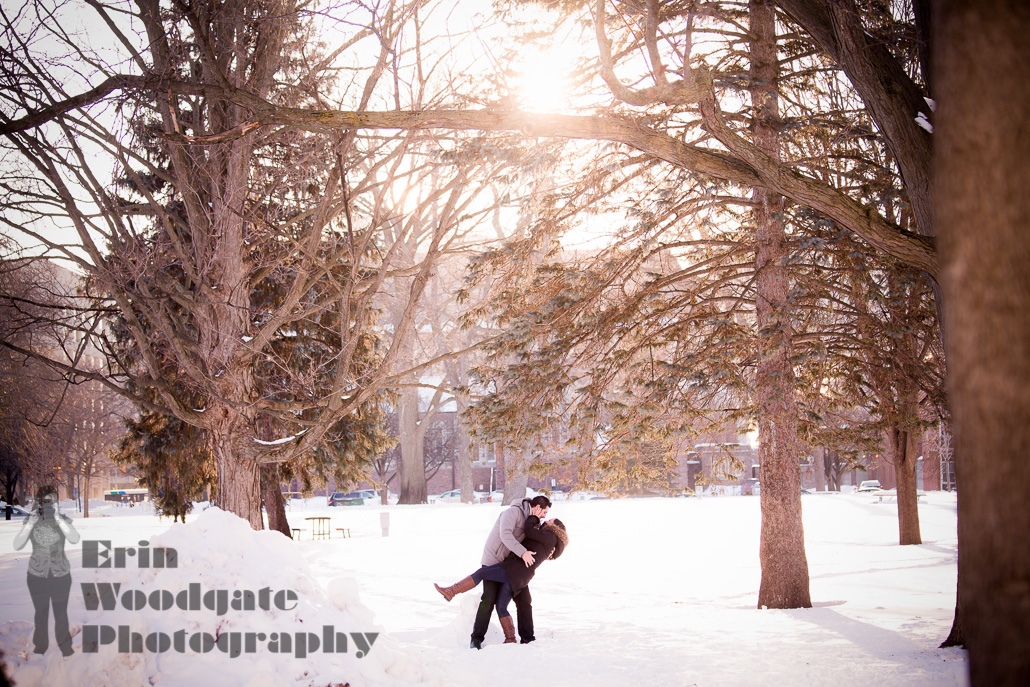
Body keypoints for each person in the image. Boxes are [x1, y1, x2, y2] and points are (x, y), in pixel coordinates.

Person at [435, 516, 568, 644]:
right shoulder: (549, 540)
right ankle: (510, 638)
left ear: (555, 527)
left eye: (550, 520)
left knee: (482, 573)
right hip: (521, 575)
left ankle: (451, 591)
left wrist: (534, 518)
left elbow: (528, 530)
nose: (546, 520)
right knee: (501, 605)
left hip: (514, 569)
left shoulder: (549, 536)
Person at [467, 494, 550, 649]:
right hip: (493, 560)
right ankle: (476, 639)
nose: (544, 516)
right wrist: (523, 553)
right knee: (489, 599)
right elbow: (505, 535)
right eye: (544, 512)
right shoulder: (512, 513)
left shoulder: (532, 523)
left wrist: (549, 554)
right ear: (538, 507)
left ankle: (527, 639)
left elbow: (535, 544)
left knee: (524, 600)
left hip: (511, 567)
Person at [13, 485, 79, 656]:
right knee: (40, 613)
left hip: (60, 573)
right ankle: (40, 648)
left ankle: (65, 648)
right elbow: (17, 544)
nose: (48, 505)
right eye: (45, 501)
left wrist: (58, 518)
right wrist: (30, 524)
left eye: (51, 501)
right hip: (37, 573)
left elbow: (74, 538)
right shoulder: (32, 520)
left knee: (61, 613)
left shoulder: (62, 519)